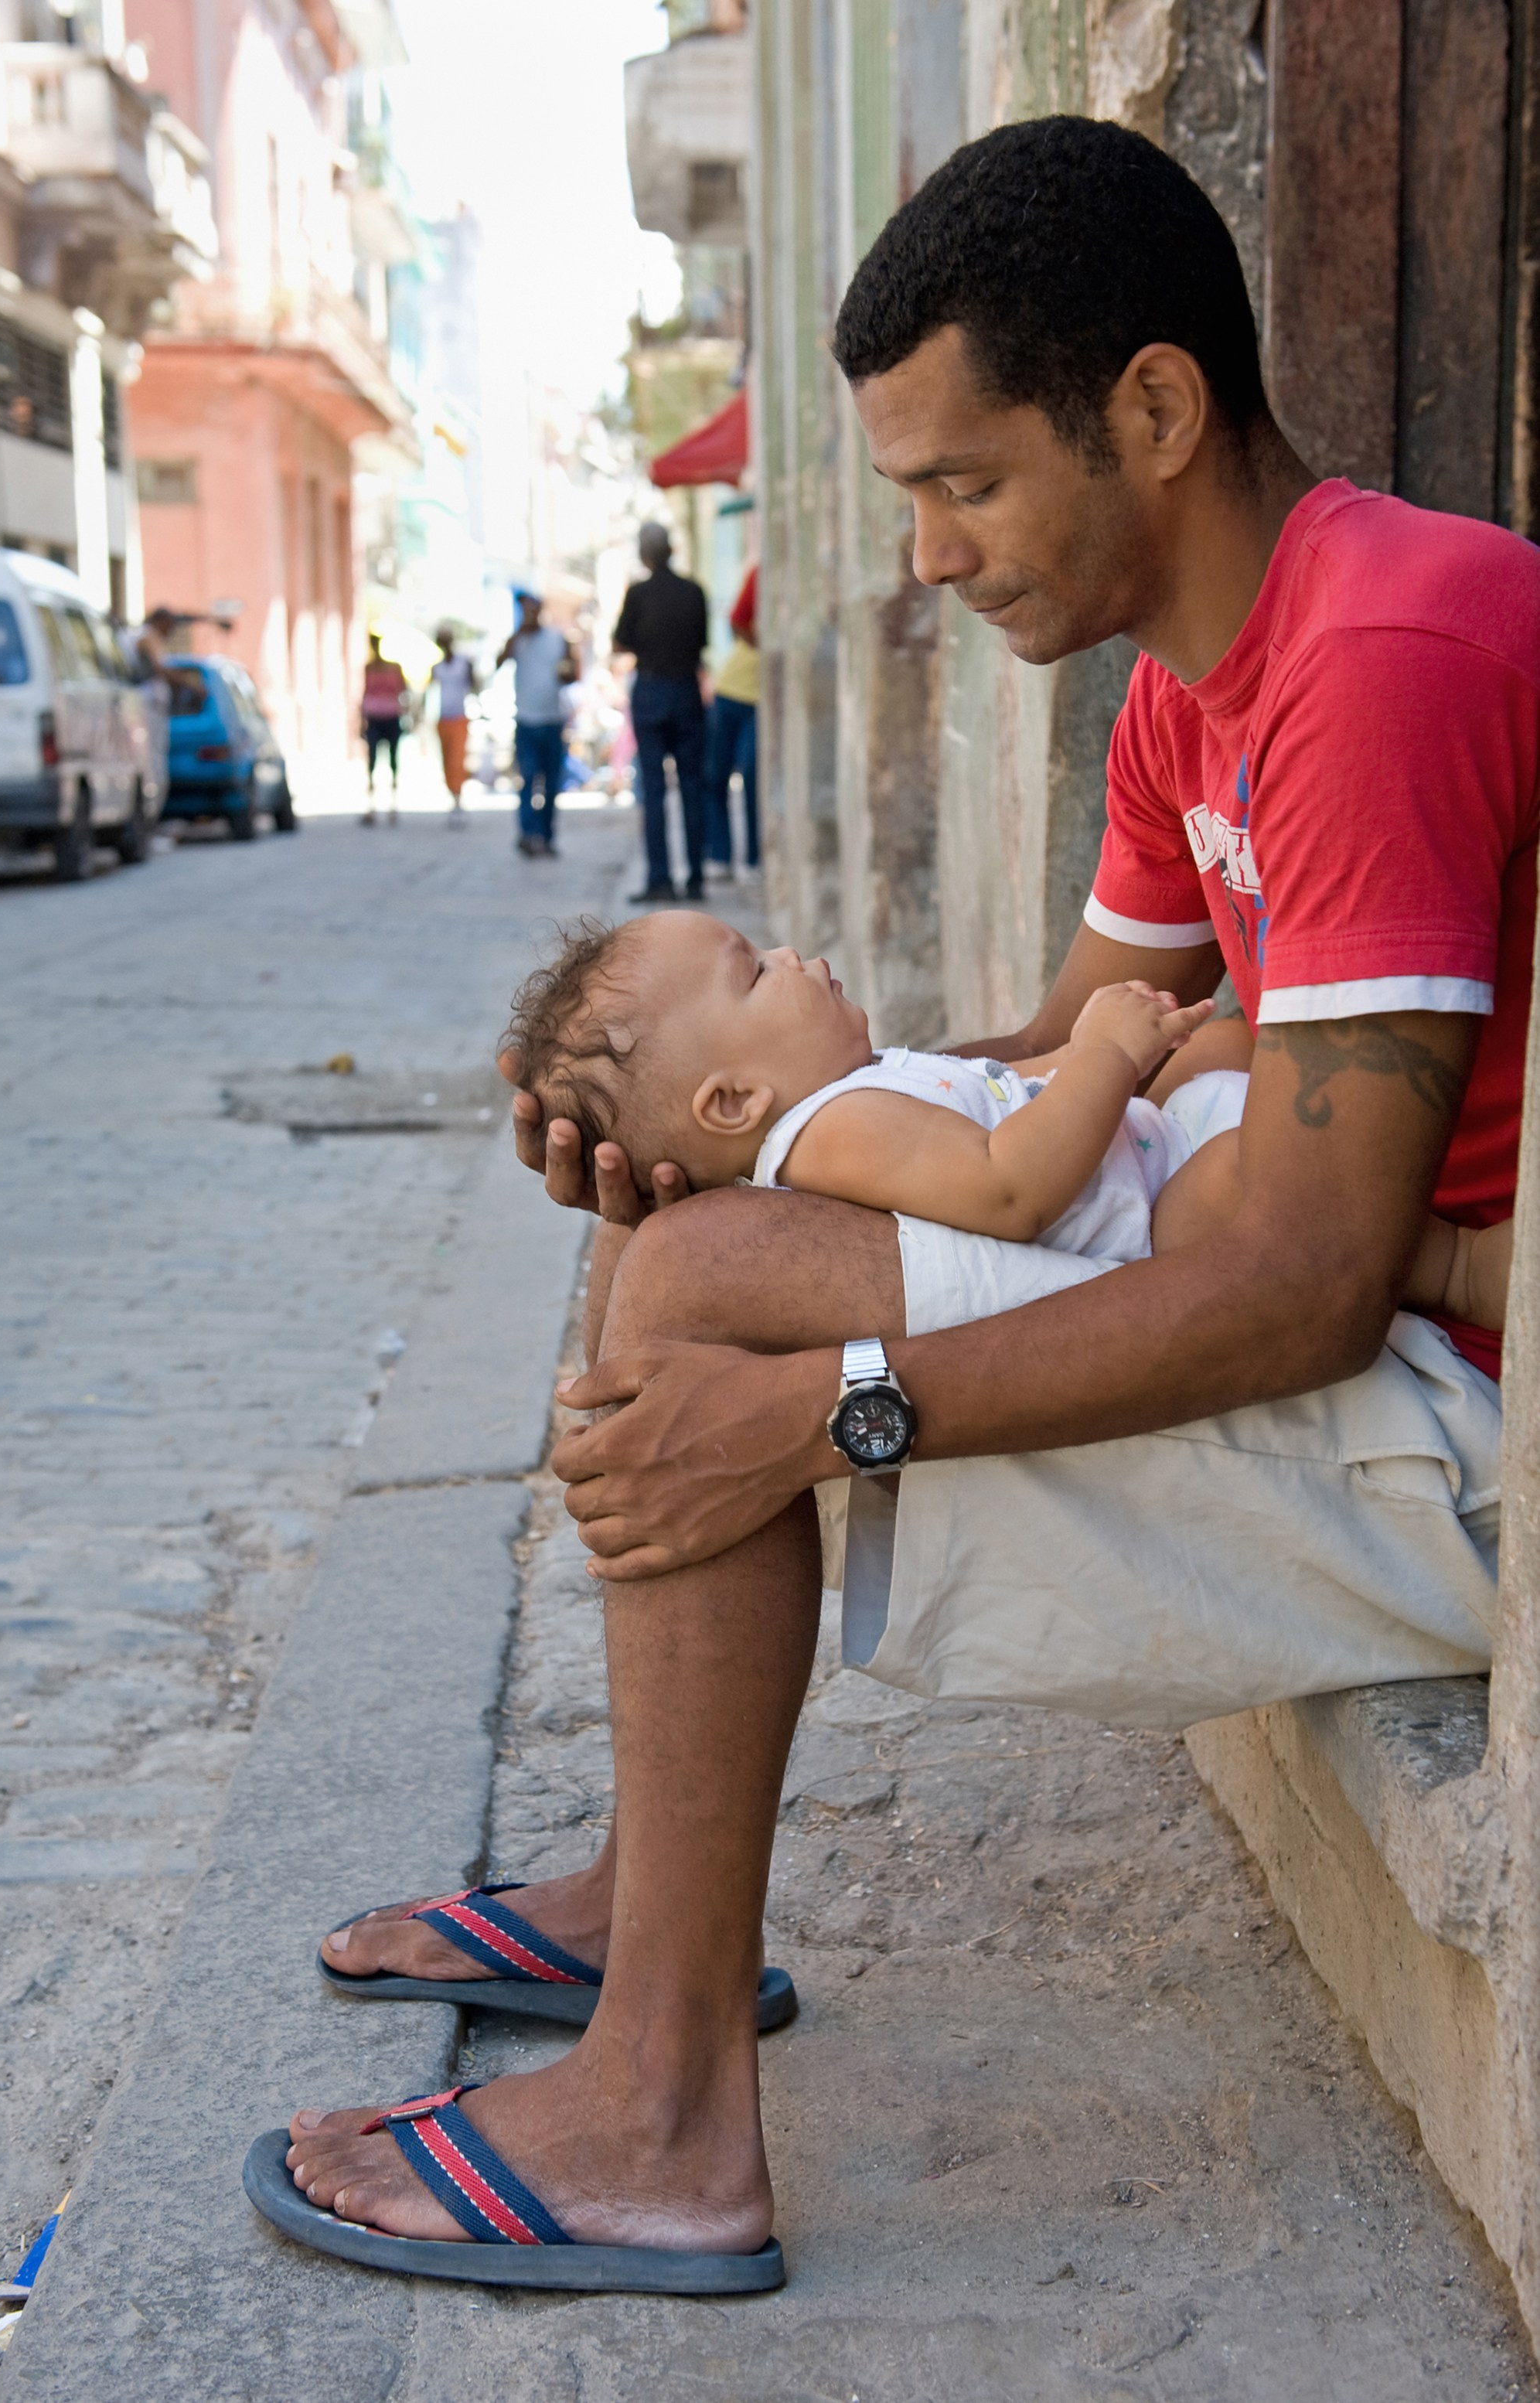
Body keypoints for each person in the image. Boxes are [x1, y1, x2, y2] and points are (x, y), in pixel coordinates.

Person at [278, 118, 1538, 2288]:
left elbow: (1301, 1294)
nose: (932, 556)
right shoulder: (1190, 692)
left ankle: (664, 2116)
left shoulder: (1382, 653)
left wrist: (829, 1407)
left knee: (714, 1306)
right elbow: (1032, 1063)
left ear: (1154, 410)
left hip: (1465, 1424)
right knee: (687, 1226)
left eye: (965, 484)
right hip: (1359, 1353)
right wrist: (724, 1123)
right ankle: (654, 1911)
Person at [502, 908, 1514, 1329]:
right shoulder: (833, 1136)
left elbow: (1012, 1081)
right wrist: (1107, 1056)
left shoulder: (857, 1086)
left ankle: (1407, 1123)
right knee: (1268, 1173)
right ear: (734, 1102)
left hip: (1147, 1153)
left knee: (1230, 1046)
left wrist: (1120, 1053)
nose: (794, 957)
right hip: (1156, 1224)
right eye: (757, 973)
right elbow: (1011, 1186)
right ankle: (1461, 1268)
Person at [612, 523, 710, 904]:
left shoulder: (639, 594)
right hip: (686, 690)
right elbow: (701, 641)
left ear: (645, 554)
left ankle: (660, 879)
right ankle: (696, 878)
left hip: (652, 691)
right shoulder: (694, 591)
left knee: (653, 790)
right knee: (691, 787)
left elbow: (621, 641)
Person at [499, 595, 577, 857]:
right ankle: (528, 834)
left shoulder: (557, 639)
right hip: (526, 721)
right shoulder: (518, 640)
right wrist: (516, 636)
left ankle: (546, 836)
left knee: (552, 783)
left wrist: (566, 673)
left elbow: (571, 673)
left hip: (553, 720)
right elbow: (500, 662)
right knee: (529, 778)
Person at [703, 564, 760, 881]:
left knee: (752, 777)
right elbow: (737, 620)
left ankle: (754, 858)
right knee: (715, 776)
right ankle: (720, 855)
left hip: (761, 701)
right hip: (731, 691)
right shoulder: (760, 574)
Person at [359, 633, 407, 827]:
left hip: (391, 717)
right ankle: (371, 806)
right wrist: (362, 720)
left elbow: (403, 691)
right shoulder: (369, 668)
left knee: (393, 761)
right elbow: (365, 693)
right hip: (374, 718)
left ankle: (393, 804)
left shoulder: (394, 668)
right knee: (371, 762)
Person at [431, 625, 475, 825]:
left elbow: (473, 685)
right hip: (443, 719)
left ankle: (458, 800)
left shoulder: (464, 663)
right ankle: (453, 798)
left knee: (457, 760)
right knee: (447, 761)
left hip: (459, 718)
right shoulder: (437, 667)